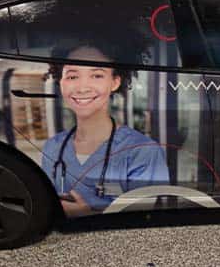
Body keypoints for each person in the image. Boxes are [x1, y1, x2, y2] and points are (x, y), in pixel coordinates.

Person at [41, 44, 169, 217]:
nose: (82, 87)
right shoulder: (52, 147)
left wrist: (87, 215)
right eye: (72, 77)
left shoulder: (144, 151)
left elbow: (140, 221)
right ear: (61, 82)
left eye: (96, 75)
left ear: (115, 82)